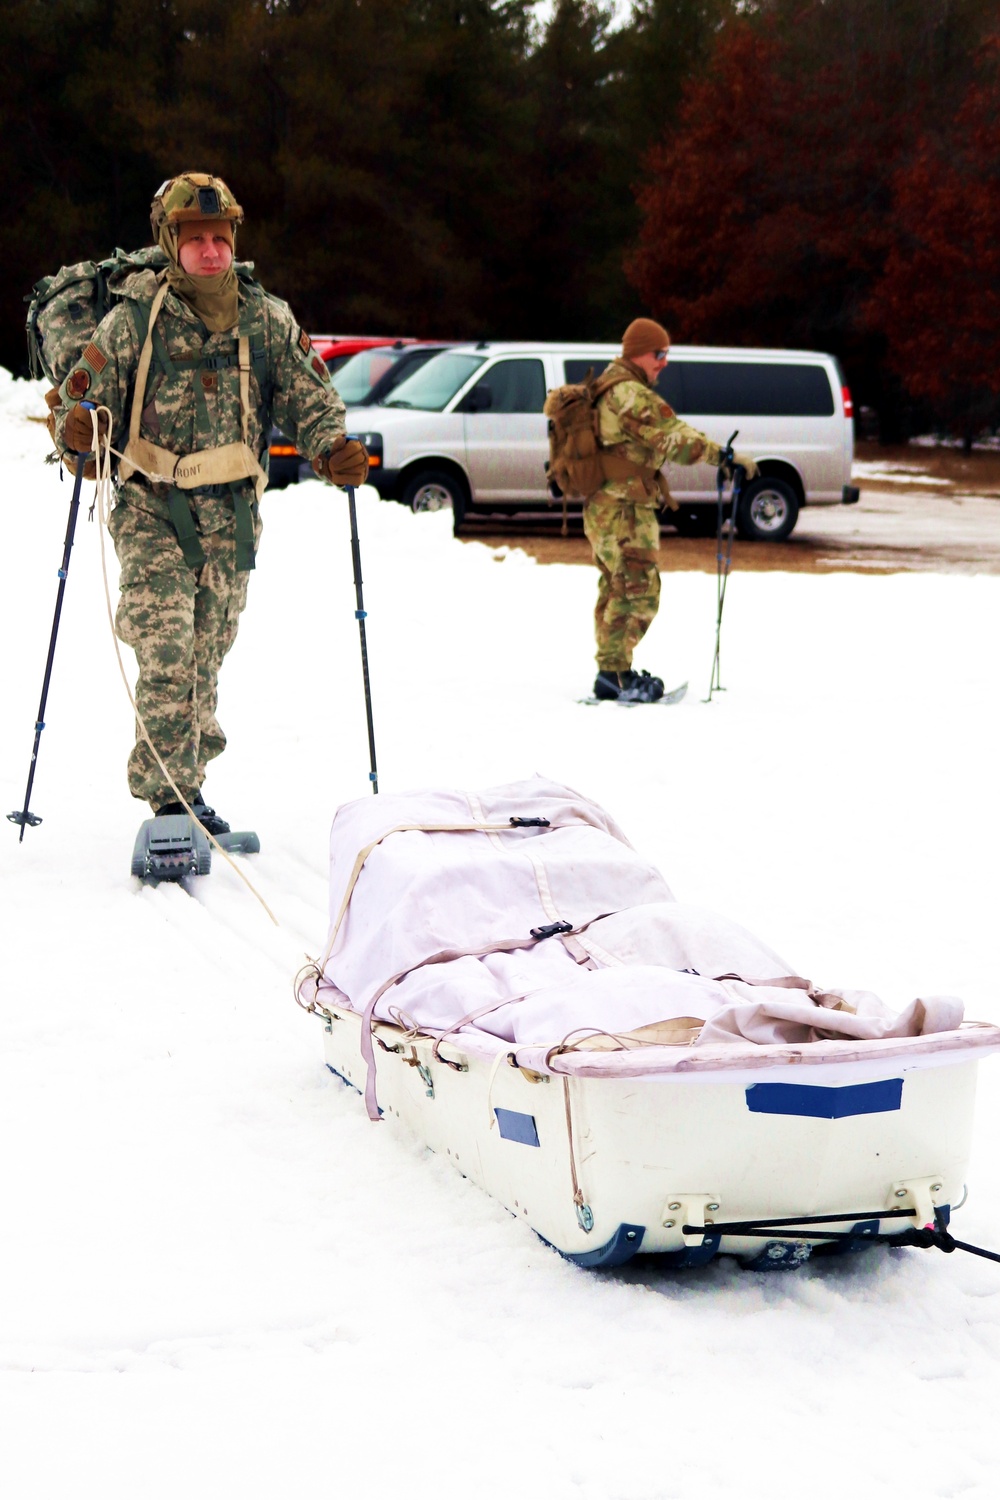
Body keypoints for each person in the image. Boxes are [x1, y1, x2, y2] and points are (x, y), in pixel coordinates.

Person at [55, 172, 367, 833]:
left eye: (220, 238)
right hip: (152, 508)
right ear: (171, 243)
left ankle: (191, 780)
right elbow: (80, 400)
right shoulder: (132, 319)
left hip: (232, 517)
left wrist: (332, 447)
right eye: (196, 239)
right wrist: (78, 434)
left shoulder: (266, 318)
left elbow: (310, 399)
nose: (211, 251)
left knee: (205, 650)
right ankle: (171, 796)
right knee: (168, 646)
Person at [585, 317, 758, 703]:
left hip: (607, 505)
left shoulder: (606, 387)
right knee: (637, 589)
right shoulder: (630, 394)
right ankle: (615, 676)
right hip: (624, 509)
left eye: (666, 354)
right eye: (658, 354)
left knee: (617, 587)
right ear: (637, 353)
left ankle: (614, 670)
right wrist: (724, 456)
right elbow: (677, 440)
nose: (664, 362)